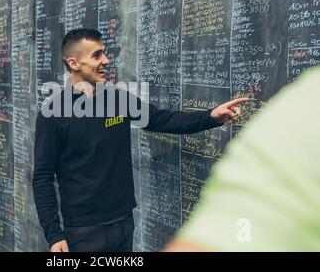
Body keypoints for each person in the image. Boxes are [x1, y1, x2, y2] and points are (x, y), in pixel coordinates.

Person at [32, 28, 249, 252]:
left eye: (104, 53)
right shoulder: (54, 113)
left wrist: (211, 117)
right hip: (83, 232)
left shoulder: (118, 99)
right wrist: (54, 234)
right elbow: (42, 177)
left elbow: (164, 120)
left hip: (124, 223)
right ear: (74, 63)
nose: (106, 60)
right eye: (97, 55)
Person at [164, 66, 320, 252]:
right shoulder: (309, 101)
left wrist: (210, 117)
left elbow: (161, 119)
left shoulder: (124, 100)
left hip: (123, 217)